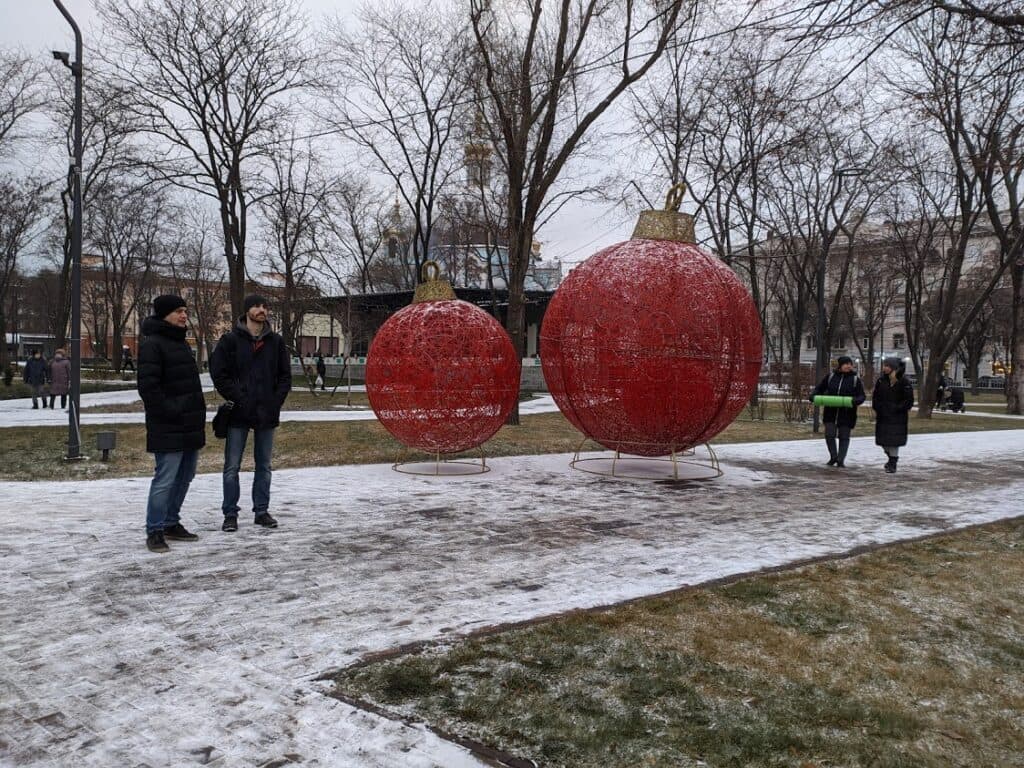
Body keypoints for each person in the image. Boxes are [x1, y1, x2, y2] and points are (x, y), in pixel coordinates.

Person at [210, 294, 292, 532]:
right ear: (247, 310)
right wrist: (238, 397)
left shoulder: (276, 342)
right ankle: (230, 513)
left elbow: (285, 376)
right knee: (232, 466)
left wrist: (275, 402)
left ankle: (262, 511)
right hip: (239, 411)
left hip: (267, 411)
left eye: (265, 306)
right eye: (257, 306)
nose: (262, 310)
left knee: (264, 465)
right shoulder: (230, 340)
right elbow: (219, 374)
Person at [137, 295, 207, 553]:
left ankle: (170, 521)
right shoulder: (152, 345)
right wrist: (172, 410)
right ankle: (154, 529)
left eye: (185, 310)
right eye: (178, 311)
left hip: (190, 423)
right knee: (165, 478)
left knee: (186, 476)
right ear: (164, 314)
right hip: (168, 424)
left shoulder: (181, 343)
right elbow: (149, 388)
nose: (184, 315)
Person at [809, 355, 866, 468]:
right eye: (846, 364)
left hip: (847, 414)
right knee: (829, 435)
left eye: (850, 364)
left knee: (844, 436)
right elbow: (819, 388)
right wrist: (813, 395)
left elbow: (861, 396)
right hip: (830, 412)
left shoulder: (855, 380)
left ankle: (840, 460)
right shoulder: (831, 377)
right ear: (840, 365)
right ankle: (833, 457)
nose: (848, 366)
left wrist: (855, 401)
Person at [872, 356, 915, 473]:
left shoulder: (904, 382)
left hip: (897, 417)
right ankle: (891, 458)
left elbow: (908, 400)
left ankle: (893, 463)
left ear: (894, 368)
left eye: (887, 366)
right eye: (884, 365)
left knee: (894, 442)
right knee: (883, 442)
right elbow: (875, 396)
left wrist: (897, 408)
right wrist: (878, 407)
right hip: (883, 416)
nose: (884, 368)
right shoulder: (881, 381)